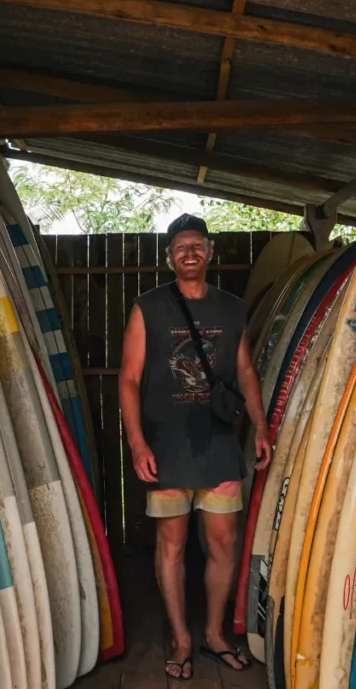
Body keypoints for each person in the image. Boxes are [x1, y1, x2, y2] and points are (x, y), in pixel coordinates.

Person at [119, 213, 272, 680]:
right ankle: (182, 639)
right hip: (166, 446)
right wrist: (137, 442)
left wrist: (261, 425)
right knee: (172, 544)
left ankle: (214, 634)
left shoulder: (230, 308)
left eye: (197, 246)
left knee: (224, 541)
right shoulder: (149, 307)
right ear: (169, 257)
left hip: (218, 442)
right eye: (181, 247)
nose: (190, 253)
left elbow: (245, 370)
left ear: (210, 253)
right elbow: (128, 379)